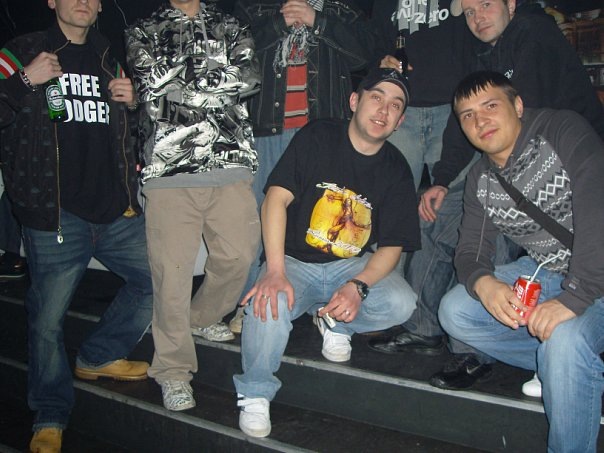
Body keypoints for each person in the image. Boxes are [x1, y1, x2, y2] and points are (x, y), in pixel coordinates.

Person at [372, 0, 604, 391]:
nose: (477, 16)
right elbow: (467, 120)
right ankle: (426, 329)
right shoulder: (482, 53)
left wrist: (486, 185)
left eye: (486, 4)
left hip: (569, 176)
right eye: (469, 11)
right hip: (512, 172)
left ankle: (478, 353)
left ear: (511, 4)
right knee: (436, 216)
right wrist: (442, 180)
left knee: (489, 225)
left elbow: (519, 126)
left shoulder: (534, 34)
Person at [232, 67, 420, 438]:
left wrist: (358, 286)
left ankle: (335, 320)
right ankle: (255, 391)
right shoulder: (318, 136)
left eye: (395, 105)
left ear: (400, 121)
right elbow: (275, 199)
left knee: (402, 302)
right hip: (293, 262)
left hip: (348, 265)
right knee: (268, 302)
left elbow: (393, 245)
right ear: (355, 101)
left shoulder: (396, 168)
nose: (383, 110)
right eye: (376, 98)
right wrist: (274, 270)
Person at [0, 0, 154, 451]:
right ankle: (50, 413)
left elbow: (136, 133)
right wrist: (24, 80)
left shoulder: (111, 58)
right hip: (55, 213)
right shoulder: (21, 51)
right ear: (52, 1)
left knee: (158, 279)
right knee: (47, 321)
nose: (84, 2)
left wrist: (135, 104)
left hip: (114, 211)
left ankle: (99, 355)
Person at [439, 70, 604, 453]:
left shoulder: (562, 131)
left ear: (517, 105)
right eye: (467, 115)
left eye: (490, 106)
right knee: (456, 311)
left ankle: (568, 366)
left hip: (593, 273)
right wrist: (485, 284)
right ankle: (571, 371)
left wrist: (574, 298)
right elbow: (470, 252)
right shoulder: (481, 178)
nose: (480, 121)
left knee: (563, 341)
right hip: (554, 272)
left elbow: (597, 211)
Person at [125, 0, 261, 412]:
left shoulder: (231, 24)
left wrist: (181, 84)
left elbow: (250, 79)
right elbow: (152, 88)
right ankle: (172, 370)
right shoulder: (143, 30)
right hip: (169, 168)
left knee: (239, 256)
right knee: (172, 275)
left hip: (230, 161)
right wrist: (218, 84)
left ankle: (199, 318)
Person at [230, 0, 375, 334]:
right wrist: (279, 24)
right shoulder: (253, 6)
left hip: (322, 133)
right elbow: (235, 54)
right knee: (257, 221)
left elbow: (364, 54)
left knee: (322, 219)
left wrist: (317, 21)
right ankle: (249, 304)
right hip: (265, 131)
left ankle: (322, 306)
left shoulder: (339, 7)